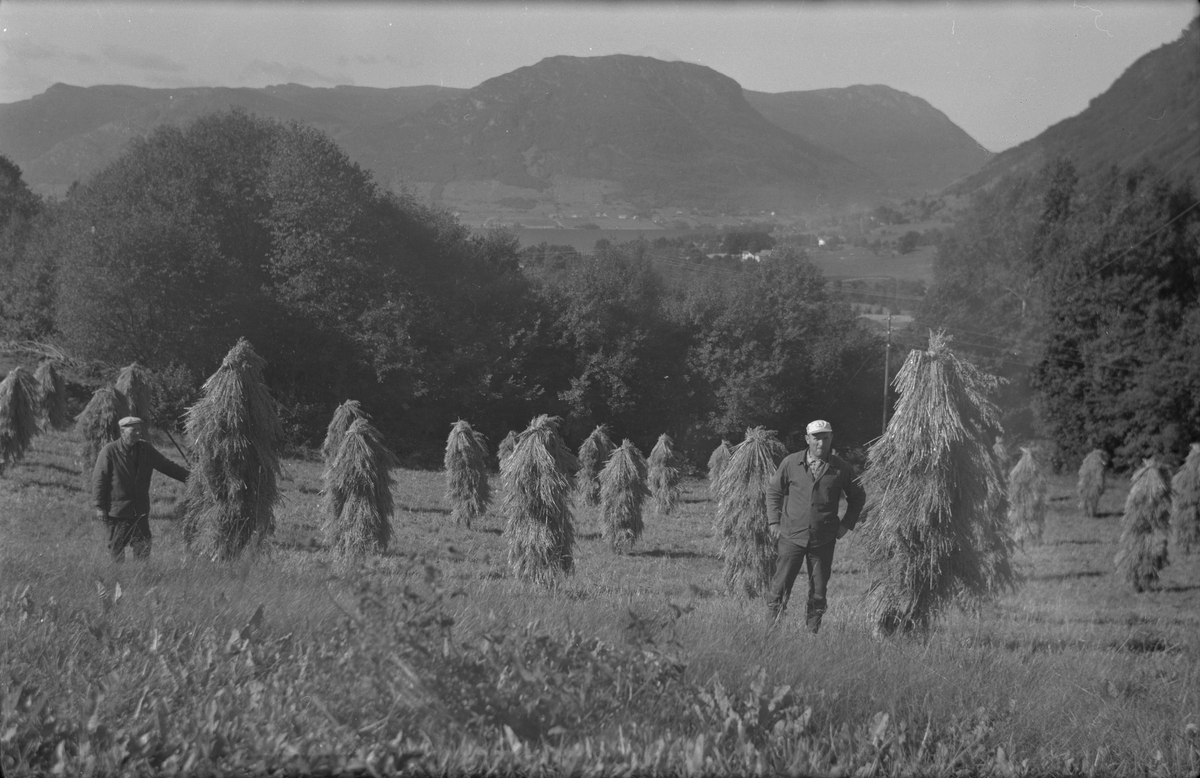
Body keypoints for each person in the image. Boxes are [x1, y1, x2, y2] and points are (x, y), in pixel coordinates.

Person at [765, 419, 865, 633]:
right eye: (816, 438)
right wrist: (774, 521)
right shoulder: (790, 463)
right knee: (780, 586)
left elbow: (858, 496)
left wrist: (846, 524)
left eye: (825, 438)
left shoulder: (841, 468)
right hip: (792, 536)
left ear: (831, 439)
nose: (821, 442)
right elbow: (773, 492)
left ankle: (812, 633)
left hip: (823, 539)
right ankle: (772, 632)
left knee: (818, 590)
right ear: (807, 439)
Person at [92, 416, 190, 561]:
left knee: (143, 547)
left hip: (140, 510)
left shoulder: (146, 449)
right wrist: (100, 507)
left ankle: (142, 578)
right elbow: (99, 480)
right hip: (118, 511)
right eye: (134, 430)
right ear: (122, 431)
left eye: (139, 430)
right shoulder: (110, 451)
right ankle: (117, 579)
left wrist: (192, 478)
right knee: (116, 548)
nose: (138, 433)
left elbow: (167, 466)